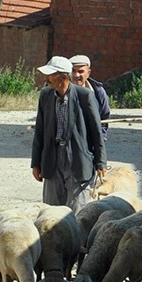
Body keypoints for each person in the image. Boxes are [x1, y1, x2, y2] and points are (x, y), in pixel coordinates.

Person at [31, 55, 105, 209]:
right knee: (50, 212)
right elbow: (39, 131)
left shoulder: (85, 96)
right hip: (52, 159)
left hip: (78, 159)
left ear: (63, 77)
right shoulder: (46, 95)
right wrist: (36, 163)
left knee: (77, 212)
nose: (46, 78)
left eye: (50, 75)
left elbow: (96, 131)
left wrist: (100, 162)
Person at [68, 53, 111, 132]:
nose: (76, 75)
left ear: (88, 73)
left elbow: (104, 119)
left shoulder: (98, 92)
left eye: (80, 71)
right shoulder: (62, 92)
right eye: (73, 71)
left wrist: (100, 139)